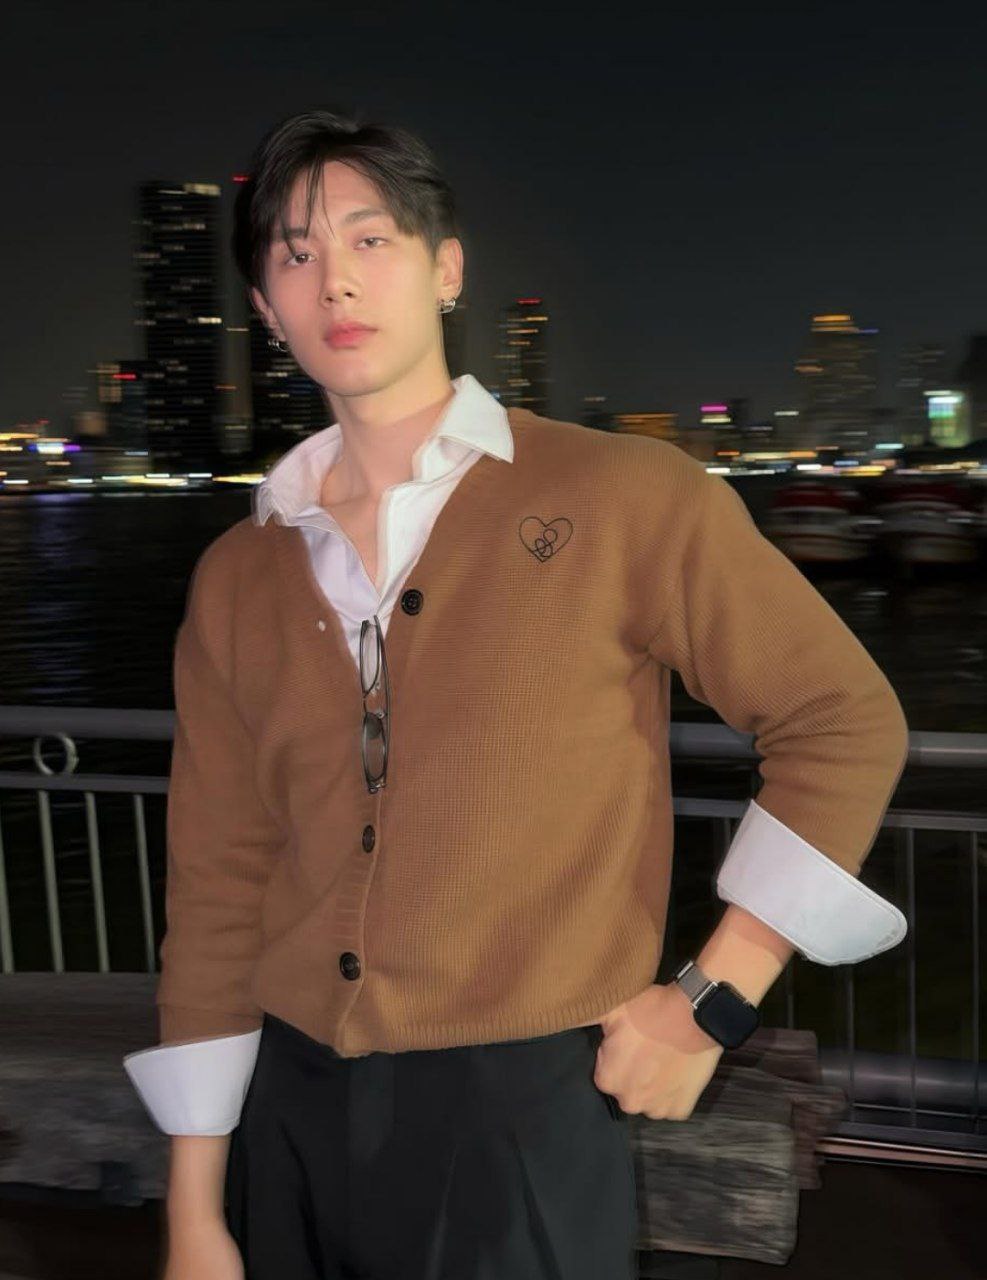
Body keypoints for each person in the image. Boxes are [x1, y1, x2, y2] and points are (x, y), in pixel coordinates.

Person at [123, 105, 911, 1280]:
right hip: (287, 1108)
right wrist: (195, 1205)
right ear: (267, 310)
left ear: (447, 269)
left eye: (371, 238)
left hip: (524, 1109)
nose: (335, 278)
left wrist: (713, 994)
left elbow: (840, 718)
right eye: (295, 253)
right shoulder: (240, 571)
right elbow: (218, 881)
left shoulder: (623, 494)